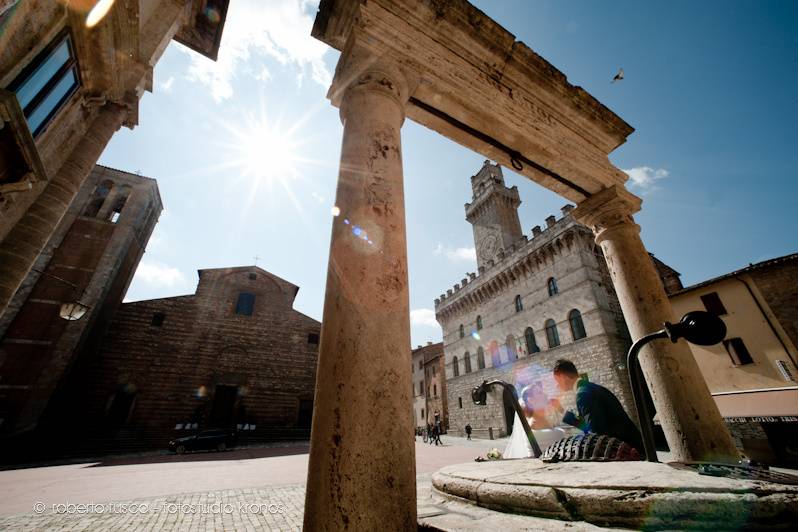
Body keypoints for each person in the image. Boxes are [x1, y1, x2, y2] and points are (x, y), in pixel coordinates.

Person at [550, 359, 644, 453]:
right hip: (629, 446)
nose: (557, 385)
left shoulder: (583, 394)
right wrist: (561, 410)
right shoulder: (589, 388)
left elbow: (596, 434)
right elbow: (588, 425)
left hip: (627, 451)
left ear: (563, 377)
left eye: (557, 381)